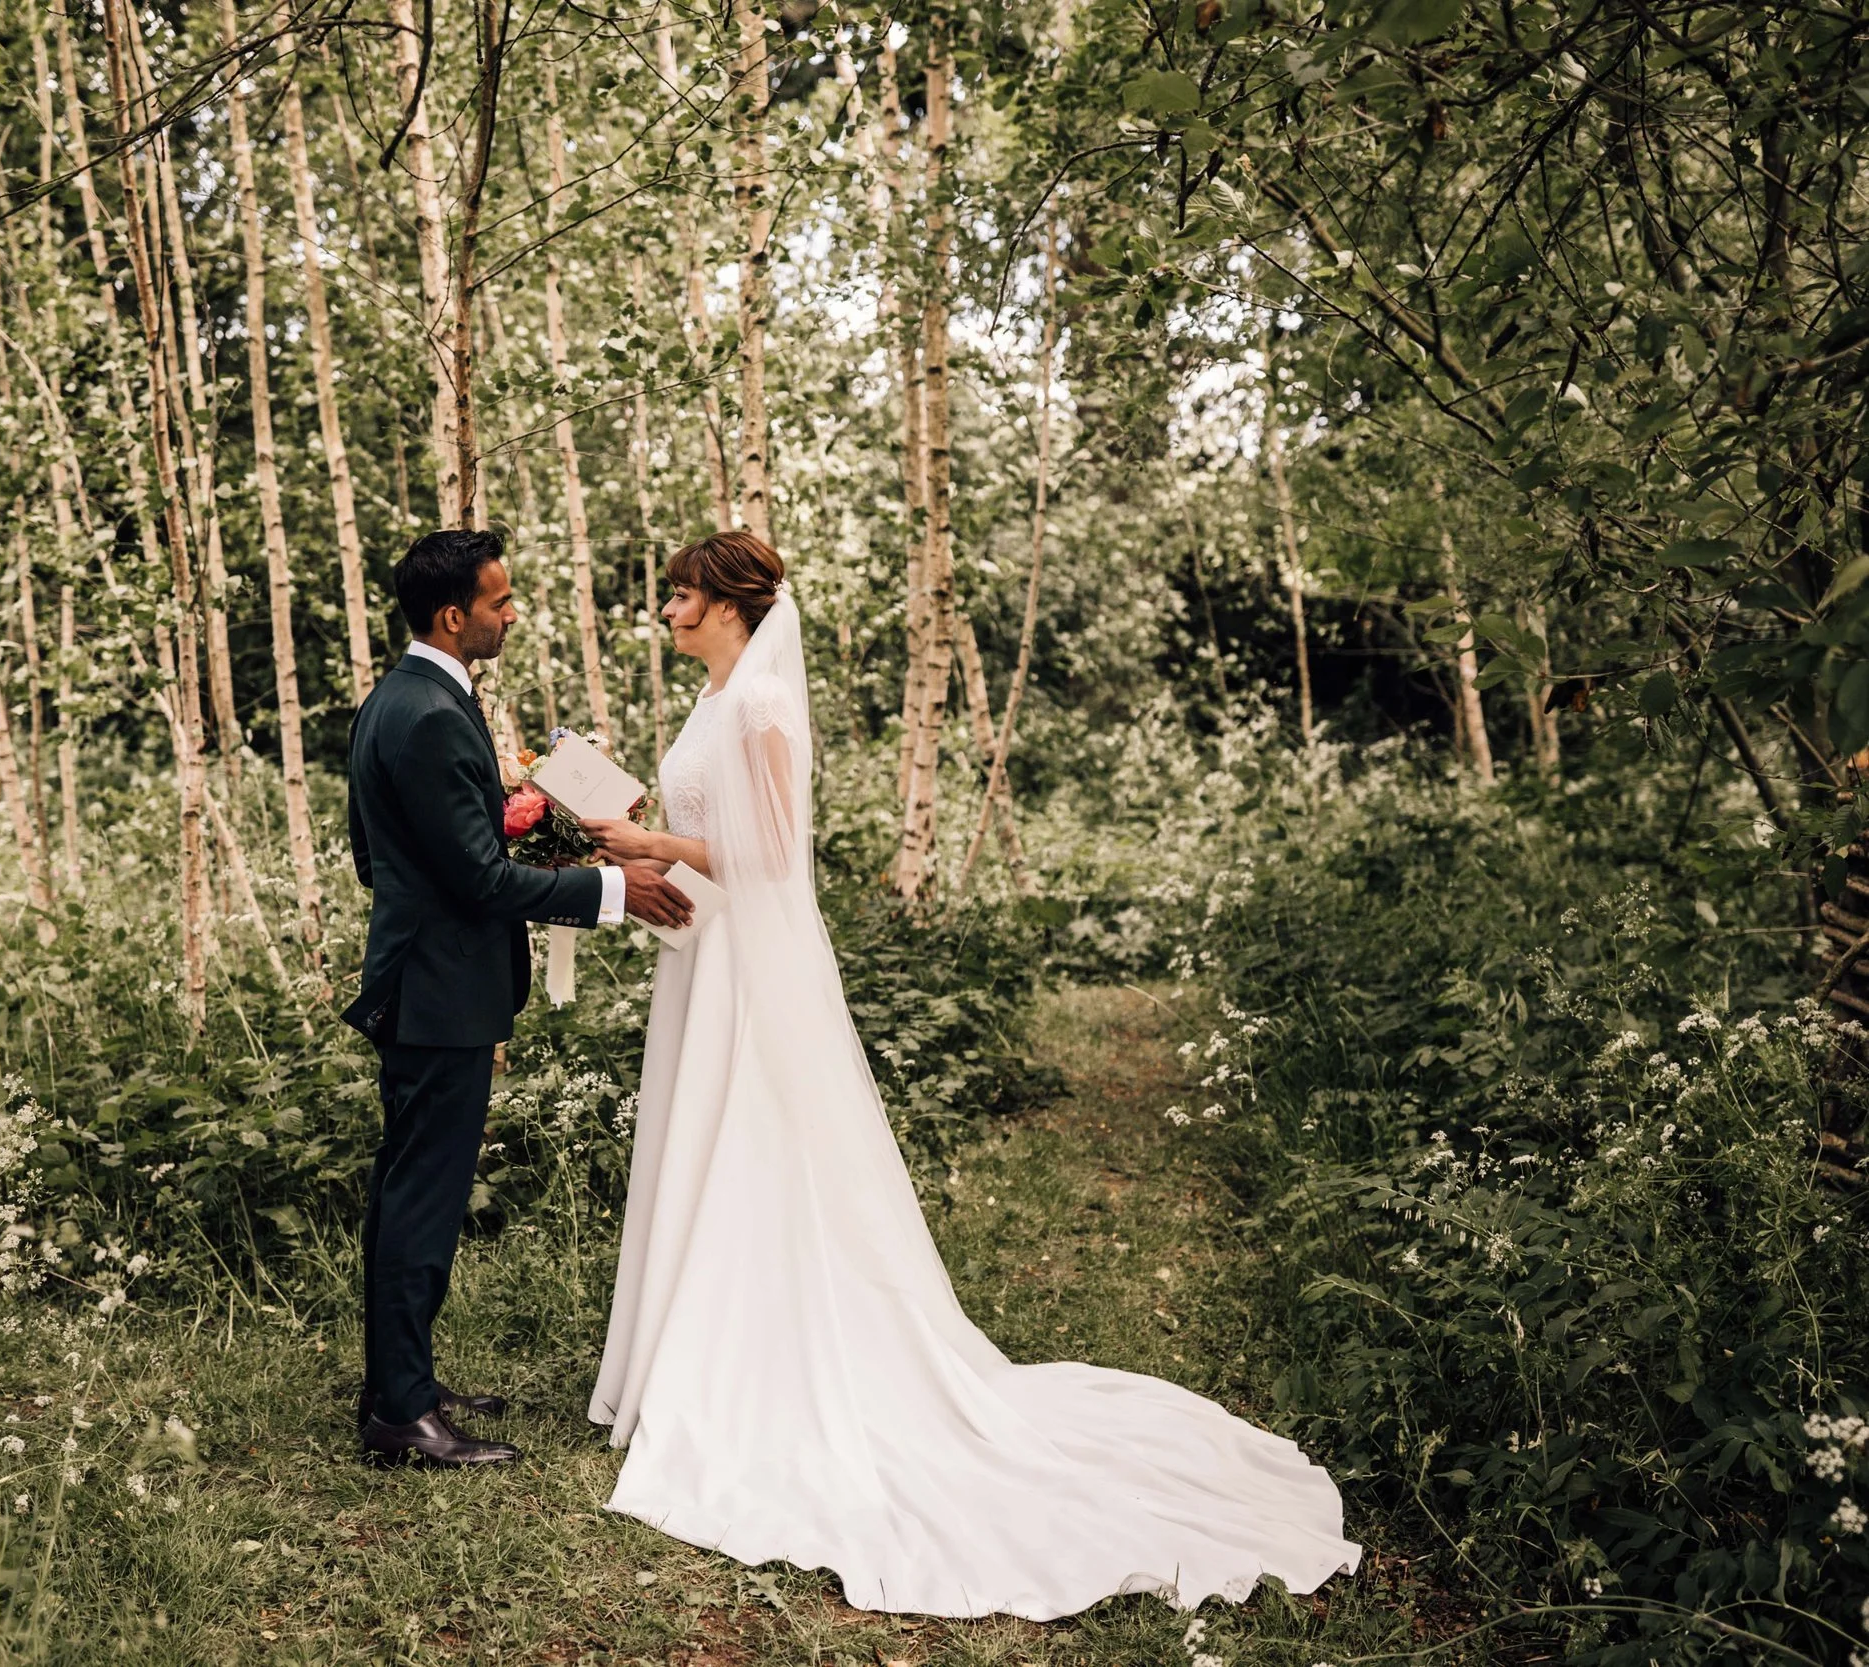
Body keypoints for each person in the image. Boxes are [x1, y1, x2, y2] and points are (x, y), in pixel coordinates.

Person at [575, 530, 1362, 1620]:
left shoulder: (760, 708)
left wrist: (652, 840)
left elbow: (774, 857)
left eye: (679, 593)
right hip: (708, 958)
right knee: (704, 1141)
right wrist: (637, 844)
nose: (665, 608)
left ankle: (762, 1365)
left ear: (727, 604)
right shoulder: (715, 700)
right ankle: (689, 1356)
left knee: (757, 1147)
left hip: (752, 967)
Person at [343, 527, 694, 1467]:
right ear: (454, 616)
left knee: (407, 1188)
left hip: (425, 978)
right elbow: (481, 883)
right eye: (500, 602)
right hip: (436, 993)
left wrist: (510, 839)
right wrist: (615, 889)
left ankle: (398, 1383)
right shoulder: (426, 716)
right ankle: (401, 1418)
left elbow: (380, 857)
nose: (511, 613)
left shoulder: (399, 700)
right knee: (423, 1195)